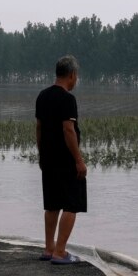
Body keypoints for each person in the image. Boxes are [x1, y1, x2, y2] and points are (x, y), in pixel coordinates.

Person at [35, 55, 87, 265]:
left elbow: (39, 128)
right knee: (72, 204)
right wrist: (78, 160)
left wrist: (41, 154)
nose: (76, 80)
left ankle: (49, 249)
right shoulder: (67, 99)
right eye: (76, 76)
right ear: (72, 75)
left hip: (48, 159)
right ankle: (60, 252)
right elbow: (69, 130)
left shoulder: (42, 96)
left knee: (52, 203)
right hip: (65, 159)